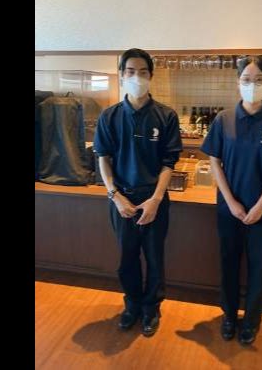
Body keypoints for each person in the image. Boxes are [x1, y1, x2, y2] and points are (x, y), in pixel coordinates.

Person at [200, 56, 262, 345]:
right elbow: (214, 161)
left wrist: (260, 206)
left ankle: (251, 322)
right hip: (228, 209)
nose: (252, 85)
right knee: (228, 263)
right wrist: (231, 202)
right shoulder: (224, 119)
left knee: (258, 267)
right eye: (246, 79)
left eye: (258, 80)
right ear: (237, 81)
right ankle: (229, 316)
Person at [93, 48, 183, 337]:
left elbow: (169, 163)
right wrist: (115, 196)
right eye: (130, 72)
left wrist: (156, 199)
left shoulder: (165, 116)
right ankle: (131, 305)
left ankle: (151, 308)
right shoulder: (110, 116)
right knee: (127, 257)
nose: (136, 77)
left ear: (151, 76)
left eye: (143, 72)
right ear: (121, 75)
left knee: (155, 257)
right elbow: (103, 159)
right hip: (121, 199)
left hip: (154, 199)